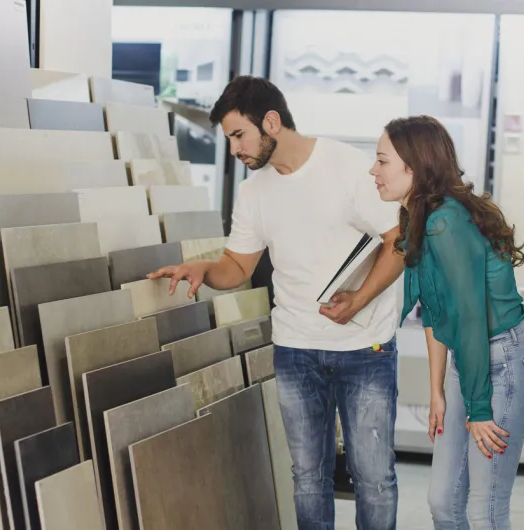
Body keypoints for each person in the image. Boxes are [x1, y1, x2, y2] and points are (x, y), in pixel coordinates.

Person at [148, 76, 404, 530]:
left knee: (374, 478)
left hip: (366, 349)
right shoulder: (254, 191)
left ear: (271, 122)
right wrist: (203, 269)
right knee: (307, 478)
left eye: (238, 135)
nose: (233, 150)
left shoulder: (347, 167)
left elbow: (399, 239)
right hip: (294, 349)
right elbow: (237, 267)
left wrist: (360, 300)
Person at [370, 115, 524, 529]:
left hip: (503, 365)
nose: (373, 170)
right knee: (444, 503)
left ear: (415, 165)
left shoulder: (445, 222)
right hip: (468, 364)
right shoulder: (419, 218)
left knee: (484, 508)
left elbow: (468, 317)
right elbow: (434, 310)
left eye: (382, 161)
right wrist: (437, 390)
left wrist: (479, 407)